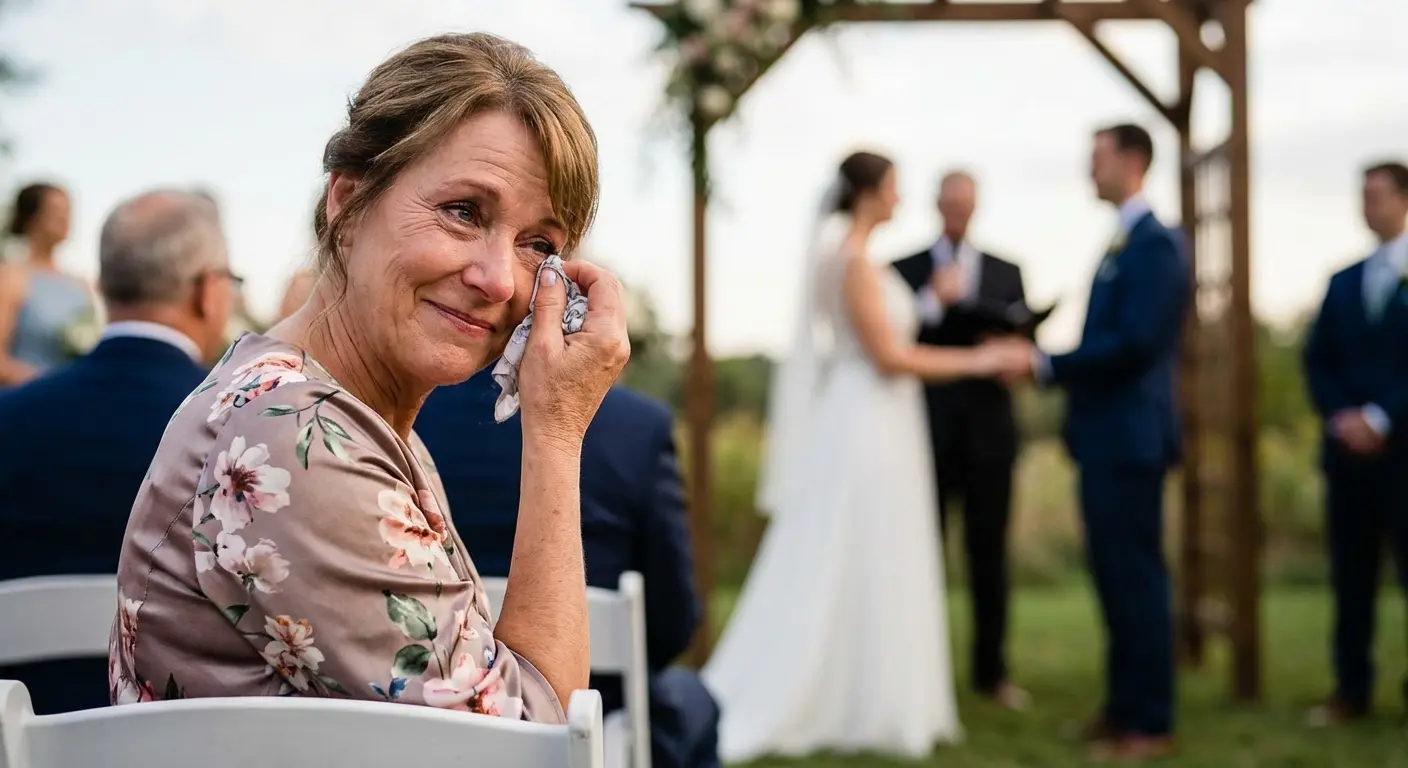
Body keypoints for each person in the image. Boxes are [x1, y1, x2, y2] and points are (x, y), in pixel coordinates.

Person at [108, 33, 630, 725]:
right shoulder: (294, 435)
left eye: (539, 245)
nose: (499, 279)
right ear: (348, 203)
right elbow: (538, 743)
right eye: (464, 211)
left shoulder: (339, 415)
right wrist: (558, 431)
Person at [704, 151, 1026, 762]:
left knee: (878, 555)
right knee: (861, 550)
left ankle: (871, 693)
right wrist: (984, 360)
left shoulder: (859, 260)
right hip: (867, 422)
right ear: (870, 194)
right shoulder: (852, 262)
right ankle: (849, 697)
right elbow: (890, 356)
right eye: (895, 188)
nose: (902, 200)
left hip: (880, 420)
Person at [995, 123, 1188, 761]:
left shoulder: (1155, 246)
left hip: (1130, 439)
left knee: (1137, 581)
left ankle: (1150, 722)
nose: (1089, 169)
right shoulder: (1122, 242)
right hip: (1106, 440)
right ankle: (1122, 707)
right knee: (1113, 581)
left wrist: (1046, 364)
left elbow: (1134, 346)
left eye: (1098, 157)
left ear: (1132, 162)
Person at [0, 189, 234, 714]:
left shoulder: (8, 418)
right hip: (185, 743)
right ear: (207, 292)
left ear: (103, 286)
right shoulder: (247, 427)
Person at [416, 368, 719, 768]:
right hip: (595, 707)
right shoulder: (638, 425)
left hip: (431, 709)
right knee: (697, 701)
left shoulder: (408, 417)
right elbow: (673, 623)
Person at [891, 170, 1032, 709]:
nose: (957, 212)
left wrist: (1012, 355)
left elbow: (1022, 339)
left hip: (991, 437)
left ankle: (992, 673)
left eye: (966, 204)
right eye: (949, 203)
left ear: (976, 208)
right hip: (923, 434)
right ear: (937, 206)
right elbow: (892, 340)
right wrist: (932, 300)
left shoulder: (1006, 271)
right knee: (920, 555)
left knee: (989, 557)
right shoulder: (905, 271)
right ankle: (920, 673)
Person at [1302, 160, 1408, 727]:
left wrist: (1383, 416)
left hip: (1403, 452)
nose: (1366, 205)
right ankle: (1351, 689)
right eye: (1360, 195)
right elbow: (1316, 358)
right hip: (1347, 458)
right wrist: (1343, 416)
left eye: (1376, 195)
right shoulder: (1343, 280)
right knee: (1351, 578)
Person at [0, 182, 95, 387]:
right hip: (22, 403)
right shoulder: (10, 278)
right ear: (32, 216)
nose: (65, 219)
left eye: (68, 211)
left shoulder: (81, 284)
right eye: (56, 211)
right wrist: (52, 383)